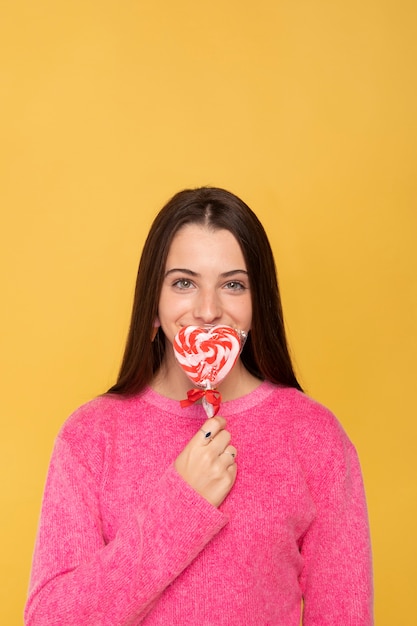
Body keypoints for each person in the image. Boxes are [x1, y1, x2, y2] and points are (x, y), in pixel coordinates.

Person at [25, 187, 373, 625]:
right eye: (184, 283)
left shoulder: (314, 436)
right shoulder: (90, 437)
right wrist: (181, 504)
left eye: (233, 284)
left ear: (257, 306)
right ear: (154, 305)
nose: (208, 310)